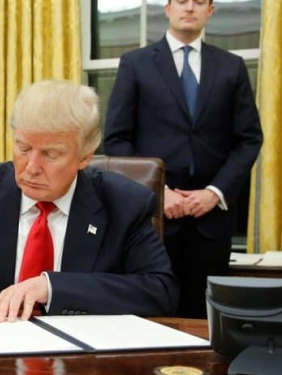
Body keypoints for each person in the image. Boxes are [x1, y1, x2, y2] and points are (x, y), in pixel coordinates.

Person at [0, 80, 178, 321]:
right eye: (23, 148)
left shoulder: (126, 203)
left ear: (85, 157)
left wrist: (50, 287)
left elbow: (160, 290)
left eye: (51, 154)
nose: (31, 167)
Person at [104, 0, 263, 318]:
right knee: (152, 314)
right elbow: (116, 139)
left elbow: (248, 139)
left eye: (199, 2)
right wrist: (158, 193)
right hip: (153, 221)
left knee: (207, 318)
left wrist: (215, 192)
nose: (189, 8)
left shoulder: (231, 66)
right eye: (181, 1)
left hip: (211, 221)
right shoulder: (135, 64)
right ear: (167, 9)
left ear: (211, 11)